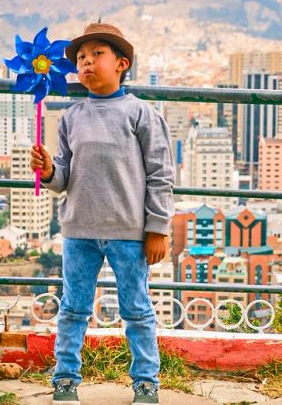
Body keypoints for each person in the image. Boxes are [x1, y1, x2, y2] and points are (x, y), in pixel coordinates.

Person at [30, 22, 175, 405]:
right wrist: (47, 170)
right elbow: (63, 178)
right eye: (80, 57)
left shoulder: (142, 114)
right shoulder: (71, 117)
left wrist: (157, 228)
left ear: (121, 63)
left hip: (129, 232)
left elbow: (161, 174)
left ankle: (146, 382)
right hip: (78, 230)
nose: (87, 62)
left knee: (138, 310)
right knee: (73, 308)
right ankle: (65, 379)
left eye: (97, 54)